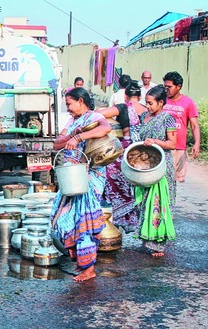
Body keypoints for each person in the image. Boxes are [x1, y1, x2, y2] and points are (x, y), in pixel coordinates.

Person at [51, 87, 112, 282]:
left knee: (84, 222)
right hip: (71, 177)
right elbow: (57, 143)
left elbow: (106, 128)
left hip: (89, 177)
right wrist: (71, 135)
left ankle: (89, 268)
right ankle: (82, 261)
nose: (67, 108)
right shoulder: (72, 122)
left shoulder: (93, 117)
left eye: (69, 104)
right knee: (62, 218)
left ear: (81, 101)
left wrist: (80, 137)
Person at [97, 82, 146, 233]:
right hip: (143, 154)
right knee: (137, 187)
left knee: (113, 181)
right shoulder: (147, 110)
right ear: (140, 96)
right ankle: (137, 221)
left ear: (125, 96)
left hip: (125, 152)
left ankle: (114, 220)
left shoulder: (123, 108)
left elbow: (98, 114)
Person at [134, 85, 177, 257]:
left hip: (160, 166)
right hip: (144, 165)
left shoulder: (168, 119)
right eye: (147, 103)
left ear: (161, 103)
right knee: (144, 202)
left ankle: (159, 243)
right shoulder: (144, 116)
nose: (148, 106)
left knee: (159, 203)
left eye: (151, 103)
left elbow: (172, 144)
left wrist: (155, 141)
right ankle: (148, 238)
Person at [162, 71, 200, 183]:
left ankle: (170, 201)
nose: (166, 89)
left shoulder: (188, 103)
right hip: (162, 146)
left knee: (173, 181)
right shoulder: (161, 100)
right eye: (165, 86)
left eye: (169, 87)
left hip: (178, 148)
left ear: (178, 86)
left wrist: (197, 143)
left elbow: (194, 125)